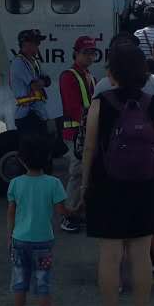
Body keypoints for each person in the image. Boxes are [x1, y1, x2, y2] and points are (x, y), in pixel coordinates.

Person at [81, 41, 154, 306]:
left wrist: (85, 183)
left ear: (113, 71)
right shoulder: (152, 103)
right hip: (145, 185)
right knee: (141, 254)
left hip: (108, 185)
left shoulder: (101, 102)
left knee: (109, 255)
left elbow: (90, 148)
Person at [94, 36, 154, 293]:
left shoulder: (101, 87)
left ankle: (117, 282)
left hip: (111, 172)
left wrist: (86, 180)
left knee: (115, 233)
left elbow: (92, 138)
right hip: (148, 169)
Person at [6, 135, 68, 306]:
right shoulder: (54, 183)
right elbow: (61, 211)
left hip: (19, 239)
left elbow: (11, 213)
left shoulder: (15, 183)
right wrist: (75, 209)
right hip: (43, 241)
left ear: (21, 159)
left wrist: (10, 237)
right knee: (43, 283)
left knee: (19, 282)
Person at [58, 36, 97, 233]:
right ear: (76, 53)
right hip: (75, 132)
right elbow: (74, 107)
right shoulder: (69, 76)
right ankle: (69, 215)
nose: (89, 57)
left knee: (84, 174)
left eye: (92, 53)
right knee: (77, 173)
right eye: (86, 53)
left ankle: (78, 212)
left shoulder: (88, 75)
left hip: (83, 131)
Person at [10, 29, 51, 141]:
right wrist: (42, 82)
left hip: (37, 113)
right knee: (32, 150)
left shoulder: (34, 62)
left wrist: (42, 82)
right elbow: (35, 86)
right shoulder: (18, 63)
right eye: (36, 43)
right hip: (27, 114)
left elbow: (48, 80)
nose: (38, 45)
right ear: (26, 44)